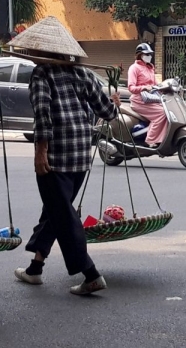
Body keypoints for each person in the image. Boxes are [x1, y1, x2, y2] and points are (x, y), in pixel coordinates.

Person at [7, 17, 121, 296]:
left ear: (43, 51)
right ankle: (35, 268)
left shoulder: (42, 74)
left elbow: (42, 115)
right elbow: (108, 112)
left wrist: (40, 152)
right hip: (81, 155)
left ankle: (91, 274)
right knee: (55, 211)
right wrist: (114, 102)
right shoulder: (83, 73)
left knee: (63, 215)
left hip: (55, 156)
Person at [127, 43, 167, 148]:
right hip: (139, 101)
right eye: (146, 54)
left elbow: (156, 85)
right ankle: (150, 140)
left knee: (168, 111)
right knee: (162, 113)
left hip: (151, 99)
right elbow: (131, 87)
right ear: (140, 55)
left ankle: (162, 139)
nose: (149, 56)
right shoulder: (134, 68)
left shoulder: (150, 68)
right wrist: (144, 88)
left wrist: (166, 87)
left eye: (150, 54)